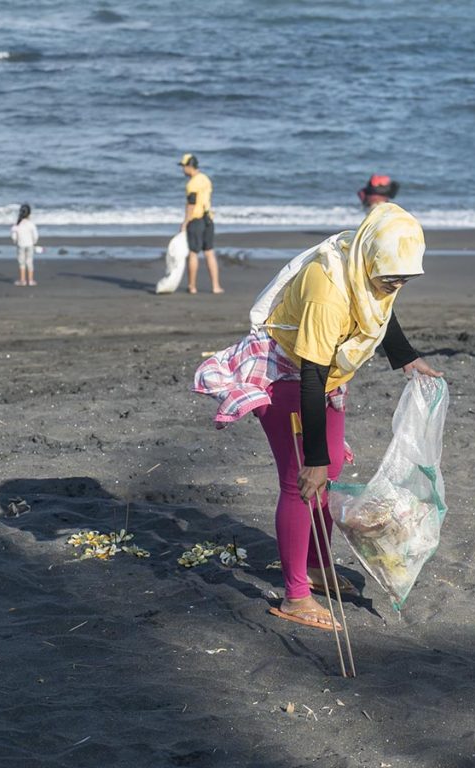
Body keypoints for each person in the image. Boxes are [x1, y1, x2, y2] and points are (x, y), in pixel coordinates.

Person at [193, 203, 442, 630]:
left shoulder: (373, 262)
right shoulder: (327, 288)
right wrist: (313, 459)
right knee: (302, 481)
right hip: (287, 370)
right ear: (370, 260)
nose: (395, 285)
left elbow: (379, 309)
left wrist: (405, 357)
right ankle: (294, 596)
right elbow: (311, 374)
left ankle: (316, 566)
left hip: (325, 375)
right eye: (390, 277)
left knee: (333, 466)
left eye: (404, 278)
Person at [178, 153, 223, 294]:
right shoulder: (205, 179)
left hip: (196, 220)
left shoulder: (192, 184)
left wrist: (185, 222)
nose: (182, 170)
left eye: (183, 166)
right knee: (209, 252)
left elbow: (191, 204)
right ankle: (216, 286)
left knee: (193, 253)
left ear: (189, 166)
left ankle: (192, 286)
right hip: (208, 219)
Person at [10, 203, 39, 287]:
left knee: (21, 262)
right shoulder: (31, 224)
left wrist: (15, 241)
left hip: (20, 244)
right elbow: (35, 235)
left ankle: (22, 280)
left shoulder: (17, 224)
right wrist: (34, 241)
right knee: (29, 262)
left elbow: (14, 236)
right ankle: (30, 280)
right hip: (30, 244)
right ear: (29, 214)